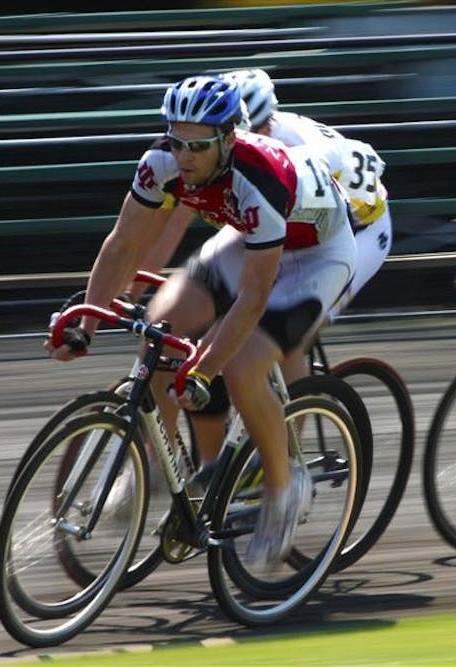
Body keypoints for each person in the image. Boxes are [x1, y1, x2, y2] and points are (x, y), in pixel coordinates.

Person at [46, 74, 358, 566]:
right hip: (252, 240)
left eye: (199, 145)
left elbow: (254, 298)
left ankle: (284, 486)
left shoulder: (259, 177)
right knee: (161, 325)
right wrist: (87, 322)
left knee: (240, 368)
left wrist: (205, 369)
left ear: (228, 139)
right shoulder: (161, 161)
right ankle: (155, 463)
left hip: (318, 255)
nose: (185, 156)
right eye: (176, 140)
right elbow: (124, 243)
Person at [129, 68, 393, 467]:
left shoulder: (295, 149)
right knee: (182, 315)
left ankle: (289, 459)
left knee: (283, 334)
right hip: (274, 225)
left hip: (355, 232)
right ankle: (198, 467)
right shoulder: (205, 154)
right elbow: (172, 225)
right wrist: (132, 291)